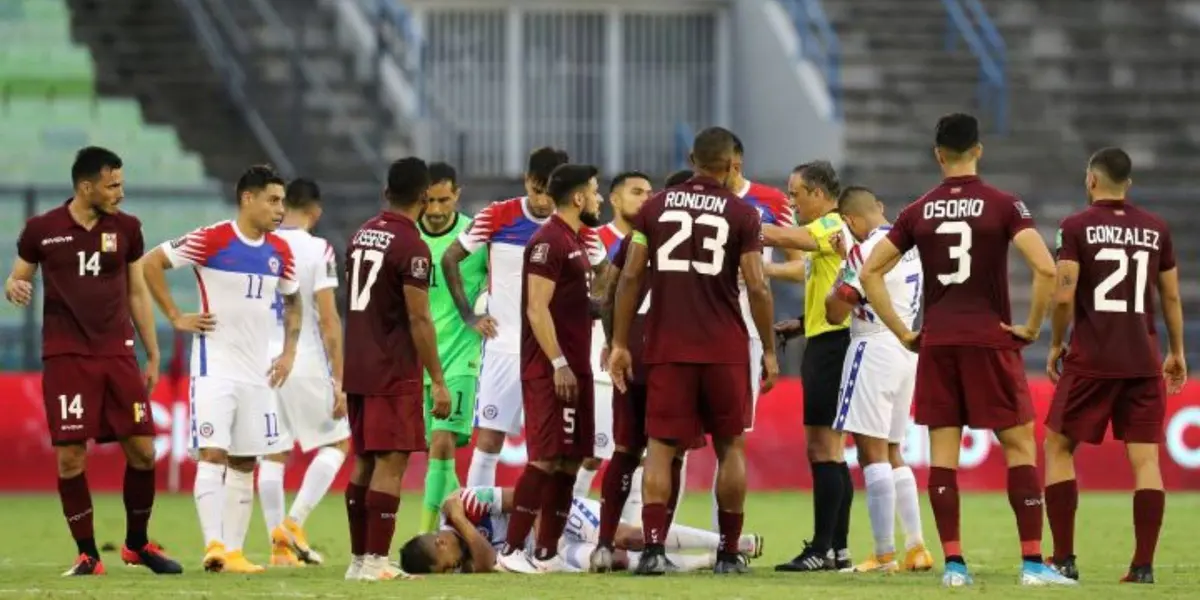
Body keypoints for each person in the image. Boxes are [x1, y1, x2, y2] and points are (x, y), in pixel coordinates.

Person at [858, 113, 1075, 587]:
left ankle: (954, 566)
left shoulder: (917, 210)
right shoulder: (1004, 205)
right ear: (978, 150)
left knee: (942, 455)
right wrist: (1032, 327)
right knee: (1019, 446)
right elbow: (1044, 268)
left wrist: (901, 330)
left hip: (938, 341)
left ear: (938, 155)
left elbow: (869, 272)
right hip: (989, 339)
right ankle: (1033, 565)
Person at [5, 146, 182, 576]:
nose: (120, 192)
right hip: (66, 356)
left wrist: (152, 350)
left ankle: (137, 544)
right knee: (70, 457)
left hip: (117, 355)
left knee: (142, 450)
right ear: (86, 187)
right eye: (112, 184)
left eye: (121, 183)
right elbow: (18, 276)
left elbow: (137, 290)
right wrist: (14, 287)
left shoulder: (127, 229)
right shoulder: (41, 230)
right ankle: (88, 554)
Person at [609, 126, 778, 576]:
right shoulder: (743, 214)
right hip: (724, 347)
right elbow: (758, 286)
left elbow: (628, 278)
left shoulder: (654, 209)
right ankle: (727, 553)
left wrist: (621, 343)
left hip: (667, 347)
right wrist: (770, 351)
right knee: (730, 447)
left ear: (692, 158)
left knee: (660, 449)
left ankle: (651, 551)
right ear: (731, 166)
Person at [143, 164, 302, 574]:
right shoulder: (211, 239)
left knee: (246, 461)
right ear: (247, 199)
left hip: (258, 375)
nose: (280, 209)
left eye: (282, 201)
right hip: (214, 369)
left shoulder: (280, 252)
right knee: (213, 454)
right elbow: (150, 263)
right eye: (273, 200)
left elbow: (294, 302)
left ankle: (232, 552)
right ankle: (213, 544)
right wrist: (176, 315)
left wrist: (288, 352)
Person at [1043, 147, 1185, 584]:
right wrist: (1176, 351)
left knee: (1059, 448)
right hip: (1142, 360)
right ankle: (1142, 566)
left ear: (1091, 181)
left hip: (1093, 358)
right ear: (1129, 184)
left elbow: (1064, 295)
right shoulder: (1156, 229)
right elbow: (1171, 297)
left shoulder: (1076, 226)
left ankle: (1064, 560)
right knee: (1145, 461)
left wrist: (1056, 343)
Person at [341, 157, 449, 581]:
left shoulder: (361, 234)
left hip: (359, 364)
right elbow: (419, 319)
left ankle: (357, 562)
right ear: (424, 198)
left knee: (365, 462)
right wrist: (437, 380)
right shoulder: (412, 246)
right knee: (392, 461)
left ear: (387, 192)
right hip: (391, 367)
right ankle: (376, 563)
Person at [495, 163, 606, 574]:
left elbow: (573, 305)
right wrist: (558, 363)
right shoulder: (548, 242)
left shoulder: (575, 241)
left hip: (577, 367)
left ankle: (546, 552)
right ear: (578, 198)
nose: (598, 198)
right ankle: (510, 550)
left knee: (570, 459)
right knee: (544, 458)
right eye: (594, 192)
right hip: (549, 369)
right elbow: (535, 308)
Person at [442, 148, 573, 488]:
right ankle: (475, 527)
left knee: (554, 451)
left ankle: (541, 537)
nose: (543, 201)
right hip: (505, 348)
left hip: (552, 352)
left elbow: (602, 271)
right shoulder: (498, 215)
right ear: (528, 181)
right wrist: (469, 315)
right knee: (488, 444)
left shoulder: (572, 223)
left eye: (550, 192)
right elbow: (450, 258)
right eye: (537, 189)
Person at [821, 187, 933, 573]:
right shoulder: (911, 245)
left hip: (872, 346)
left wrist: (841, 266)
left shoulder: (862, 252)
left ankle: (884, 553)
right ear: (880, 208)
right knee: (893, 449)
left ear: (849, 221)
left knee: (871, 453)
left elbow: (836, 310)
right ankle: (917, 547)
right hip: (906, 349)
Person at [256, 178, 351, 567]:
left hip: (261, 360)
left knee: (274, 453)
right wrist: (341, 379)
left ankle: (279, 549)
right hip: (305, 358)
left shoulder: (260, 244)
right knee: (339, 443)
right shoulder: (317, 249)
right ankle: (293, 524)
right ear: (315, 211)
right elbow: (328, 319)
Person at [771, 161, 855, 573]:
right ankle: (837, 548)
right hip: (827, 339)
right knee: (833, 451)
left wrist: (745, 224)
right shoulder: (832, 233)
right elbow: (825, 283)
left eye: (796, 194)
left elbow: (793, 237)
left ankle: (822, 548)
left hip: (832, 348)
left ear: (819, 194)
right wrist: (804, 323)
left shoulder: (830, 225)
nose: (792, 202)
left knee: (822, 448)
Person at [396, 485, 764, 574]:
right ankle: (707, 559)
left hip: (559, 516)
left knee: (629, 536)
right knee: (615, 561)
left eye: (443, 563)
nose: (453, 571)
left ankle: (730, 543)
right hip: (546, 551)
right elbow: (488, 558)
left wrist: (459, 516)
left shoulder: (469, 501)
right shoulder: (465, 552)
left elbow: (532, 496)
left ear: (441, 543)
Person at [417, 162, 489, 533]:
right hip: (419, 358)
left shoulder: (473, 237)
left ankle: (424, 536)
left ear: (457, 195)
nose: (435, 209)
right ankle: (461, 532)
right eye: (429, 200)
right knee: (438, 453)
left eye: (444, 200)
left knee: (442, 444)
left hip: (461, 356)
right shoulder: (408, 236)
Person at [576, 170, 653, 503]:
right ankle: (563, 528)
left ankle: (631, 540)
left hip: (643, 356)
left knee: (641, 455)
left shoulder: (657, 239)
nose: (645, 199)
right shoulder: (594, 239)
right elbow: (584, 299)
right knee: (592, 454)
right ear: (615, 199)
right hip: (599, 359)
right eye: (636, 192)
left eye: (650, 193)